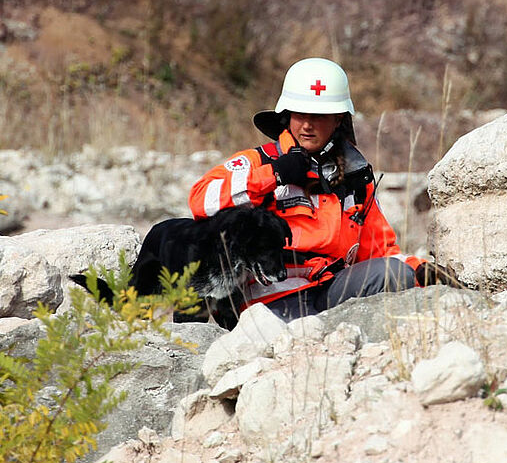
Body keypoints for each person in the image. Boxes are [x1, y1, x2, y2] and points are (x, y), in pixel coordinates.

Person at [188, 57, 458, 323]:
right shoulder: (260, 161)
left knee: (396, 273)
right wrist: (273, 175)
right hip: (268, 299)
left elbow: (379, 251)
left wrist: (418, 269)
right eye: (300, 113)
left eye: (318, 116)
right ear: (286, 115)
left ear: (338, 119)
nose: (307, 124)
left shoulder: (355, 177)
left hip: (330, 290)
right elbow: (201, 200)